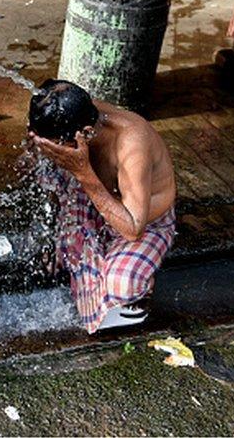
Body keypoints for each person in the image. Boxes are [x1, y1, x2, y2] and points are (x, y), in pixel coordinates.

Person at [28, 79, 177, 333]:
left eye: (55, 144)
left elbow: (132, 229)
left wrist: (83, 171)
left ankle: (142, 286)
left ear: (84, 133)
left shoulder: (131, 143)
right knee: (53, 262)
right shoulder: (66, 113)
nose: (49, 149)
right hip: (95, 203)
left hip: (139, 222)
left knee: (122, 284)